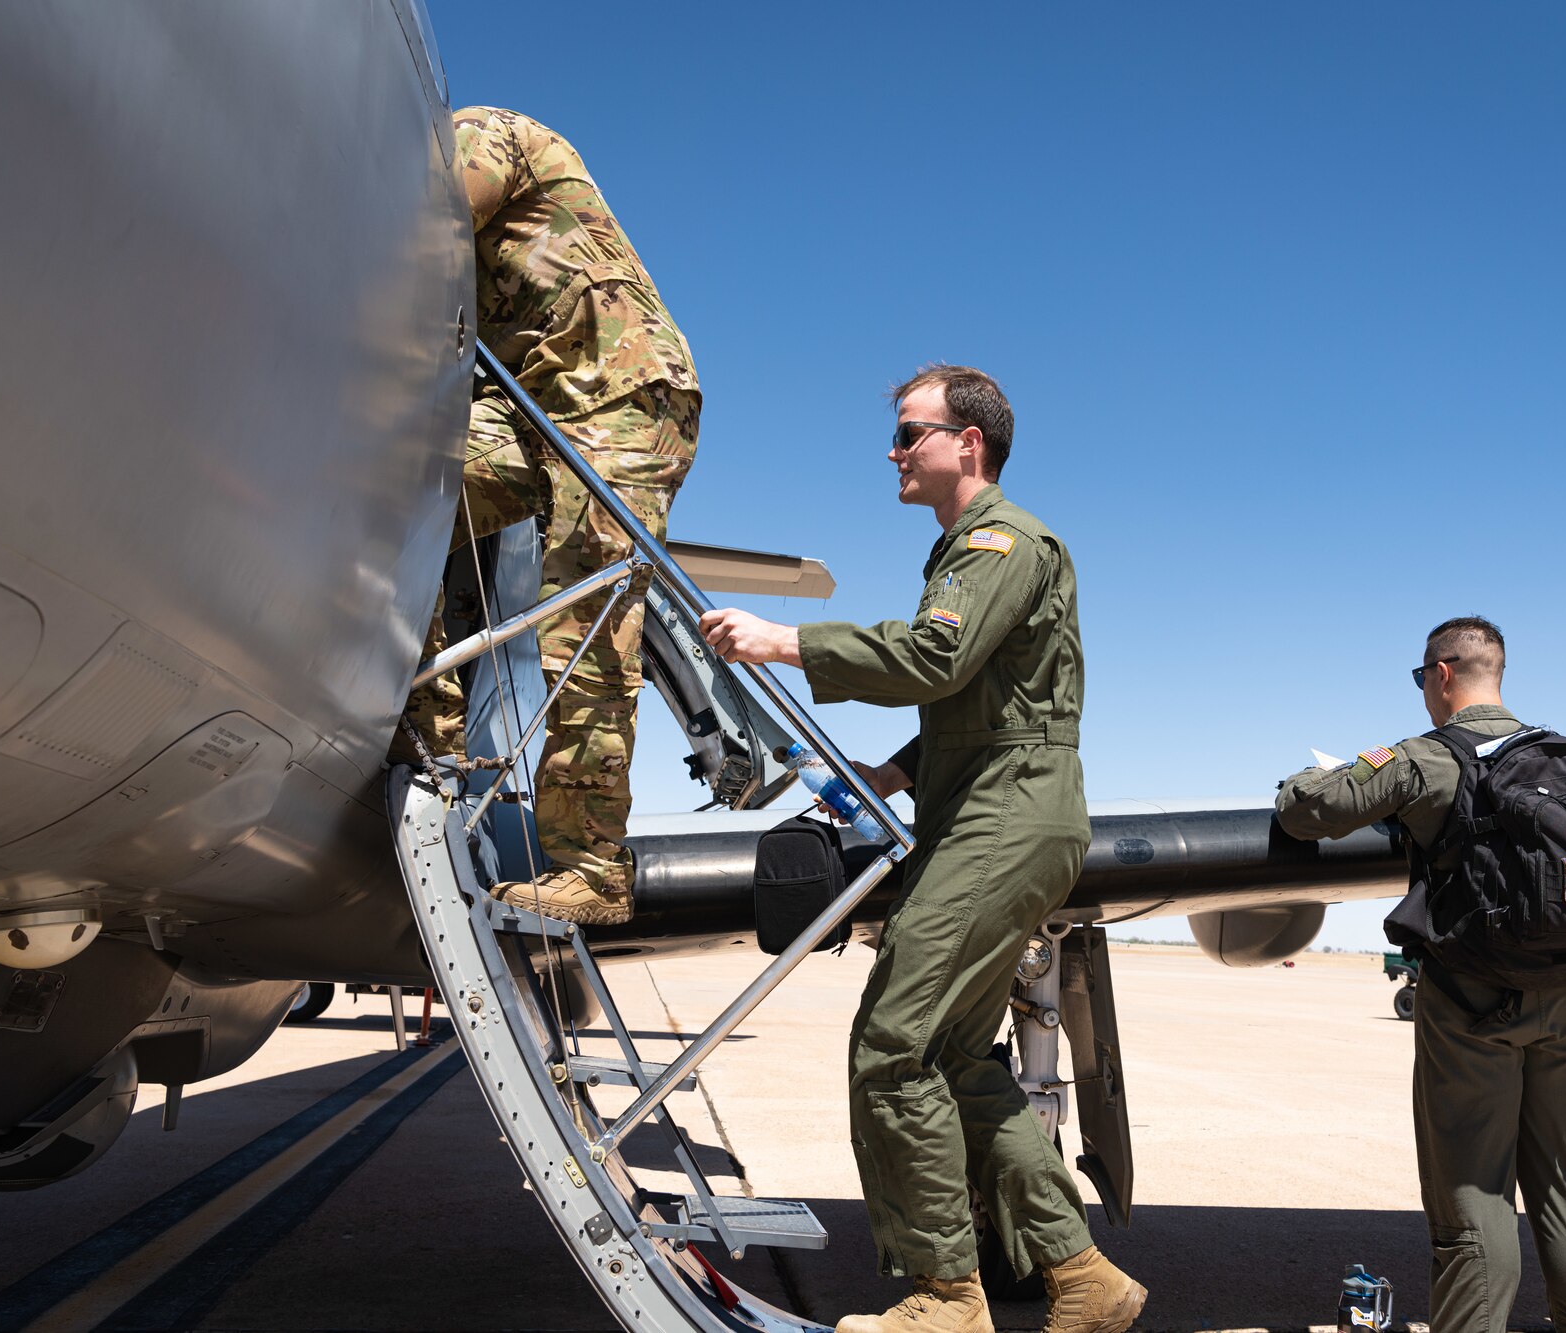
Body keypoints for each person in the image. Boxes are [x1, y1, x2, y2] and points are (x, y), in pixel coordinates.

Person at [698, 365, 1143, 1333]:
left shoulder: (996, 541)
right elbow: (977, 694)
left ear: (966, 442)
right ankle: (1083, 1277)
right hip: (982, 806)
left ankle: (947, 1295)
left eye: (910, 432)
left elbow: (935, 659)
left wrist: (785, 640)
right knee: (953, 1057)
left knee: (890, 1045)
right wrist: (896, 774)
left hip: (1003, 816)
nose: (894, 451)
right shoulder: (967, 551)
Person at [398, 106, 700, 926]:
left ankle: (595, 867)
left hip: (623, 396)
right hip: (536, 408)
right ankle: (434, 740)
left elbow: (433, 224)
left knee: (588, 621)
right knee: (391, 489)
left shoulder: (473, 130)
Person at [1276, 617, 1566, 1333]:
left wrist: (1300, 780)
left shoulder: (1430, 758)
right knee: (1562, 1189)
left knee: (1475, 1197)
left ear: (1440, 674)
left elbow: (1314, 809)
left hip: (1473, 1006)